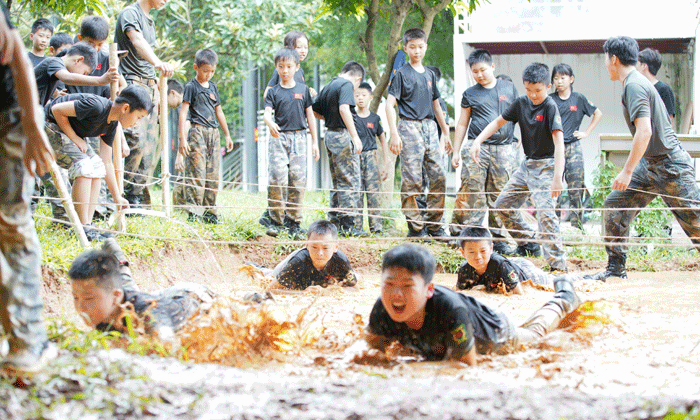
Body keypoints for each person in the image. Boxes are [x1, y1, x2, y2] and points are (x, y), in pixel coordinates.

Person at [586, 36, 700, 281]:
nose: (606, 63)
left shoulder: (634, 85)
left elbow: (645, 131)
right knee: (616, 204)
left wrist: (626, 171)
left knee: (696, 223)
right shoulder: (634, 82)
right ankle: (616, 269)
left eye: (606, 58)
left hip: (670, 164)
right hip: (651, 164)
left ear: (613, 58)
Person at [364, 243, 581, 364]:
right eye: (389, 284)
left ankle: (564, 297)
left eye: (408, 286)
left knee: (534, 335)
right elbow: (369, 351)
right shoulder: (382, 308)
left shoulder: (450, 311)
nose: (396, 295)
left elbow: (463, 368)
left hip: (495, 332)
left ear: (429, 289)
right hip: (465, 319)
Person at [0, 3, 57, 374]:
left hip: (8, 120)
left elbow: (16, 52)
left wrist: (33, 128)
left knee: (11, 224)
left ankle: (30, 340)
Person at [469, 62, 567, 272]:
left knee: (546, 215)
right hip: (527, 166)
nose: (533, 95)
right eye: (528, 90)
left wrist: (558, 176)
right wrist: (477, 141)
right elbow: (497, 123)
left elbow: (559, 143)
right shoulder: (521, 103)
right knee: (502, 205)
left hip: (547, 167)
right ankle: (528, 241)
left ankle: (558, 267)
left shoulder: (550, 106)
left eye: (538, 91)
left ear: (548, 87)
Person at [44, 86, 151, 240]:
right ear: (126, 108)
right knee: (84, 166)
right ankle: (80, 229)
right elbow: (56, 109)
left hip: (64, 132)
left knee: (97, 167)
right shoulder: (97, 106)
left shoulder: (112, 124)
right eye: (139, 117)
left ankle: (88, 226)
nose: (137, 123)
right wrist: (75, 138)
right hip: (48, 126)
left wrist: (117, 197)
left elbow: (106, 162)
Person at [69, 240, 212, 342]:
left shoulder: (150, 316)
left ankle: (117, 257)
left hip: (194, 296)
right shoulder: (102, 310)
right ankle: (115, 255)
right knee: (128, 292)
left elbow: (168, 349)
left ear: (115, 296)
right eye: (75, 298)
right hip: (153, 297)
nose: (80, 307)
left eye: (88, 298)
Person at [450, 49, 519, 254]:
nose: (479, 74)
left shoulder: (509, 88)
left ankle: (498, 239)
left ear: (492, 67)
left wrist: (520, 139)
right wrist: (456, 151)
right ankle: (463, 236)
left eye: (482, 70)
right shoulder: (470, 94)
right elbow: (462, 123)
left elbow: (519, 115)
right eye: (475, 71)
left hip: (504, 149)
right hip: (476, 149)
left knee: (499, 194)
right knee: (472, 192)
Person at [385, 28, 452, 240]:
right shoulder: (402, 74)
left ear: (425, 47)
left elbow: (437, 105)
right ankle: (416, 227)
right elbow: (389, 105)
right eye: (412, 47)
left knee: (439, 175)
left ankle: (434, 225)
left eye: (420, 46)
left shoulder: (431, 74)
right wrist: (394, 134)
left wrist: (446, 133)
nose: (417, 50)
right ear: (405, 48)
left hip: (430, 127)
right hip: (409, 126)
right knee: (412, 179)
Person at [115, 0, 174, 207]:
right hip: (133, 84)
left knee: (149, 146)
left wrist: (156, 85)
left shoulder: (150, 21)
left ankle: (136, 196)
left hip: (150, 86)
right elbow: (137, 41)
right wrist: (157, 62)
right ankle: (119, 193)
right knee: (135, 141)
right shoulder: (130, 13)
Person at [260, 48, 317, 238]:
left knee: (298, 180)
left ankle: (294, 222)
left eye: (289, 66)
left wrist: (315, 142)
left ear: (296, 67)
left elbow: (310, 116)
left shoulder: (303, 90)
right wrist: (270, 123)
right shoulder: (273, 92)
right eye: (281, 67)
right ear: (276, 68)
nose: (285, 70)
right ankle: (276, 221)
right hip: (279, 138)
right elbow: (267, 114)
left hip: (300, 138)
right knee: (277, 177)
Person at [311, 61, 367, 237]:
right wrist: (355, 136)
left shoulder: (329, 85)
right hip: (343, 135)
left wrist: (329, 118)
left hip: (330, 134)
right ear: (357, 78)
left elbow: (314, 109)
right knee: (349, 180)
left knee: (337, 180)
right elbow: (344, 108)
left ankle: (334, 221)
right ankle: (348, 225)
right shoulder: (346, 84)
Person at [178, 48, 233, 224]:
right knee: (197, 172)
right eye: (205, 71)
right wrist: (182, 139)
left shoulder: (213, 88)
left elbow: (219, 111)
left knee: (212, 173)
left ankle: (210, 212)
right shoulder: (190, 87)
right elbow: (183, 112)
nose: (208, 75)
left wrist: (227, 135)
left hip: (213, 134)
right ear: (196, 67)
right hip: (197, 132)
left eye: (212, 71)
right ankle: (194, 212)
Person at [549, 63, 602, 231]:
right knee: (553, 190)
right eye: (556, 78)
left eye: (563, 78)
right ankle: (553, 229)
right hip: (553, 149)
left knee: (576, 189)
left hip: (573, 147)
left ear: (571, 79)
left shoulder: (578, 98)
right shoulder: (550, 99)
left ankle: (577, 229)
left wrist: (586, 132)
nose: (559, 82)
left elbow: (597, 113)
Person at [456, 226, 582, 295]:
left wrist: (484, 288)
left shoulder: (500, 265)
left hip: (525, 271)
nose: (477, 257)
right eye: (471, 252)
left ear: (491, 248)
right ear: (462, 253)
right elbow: (460, 292)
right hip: (510, 263)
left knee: (557, 281)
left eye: (483, 251)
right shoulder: (464, 270)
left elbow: (519, 294)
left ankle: (598, 276)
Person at [266, 220, 358, 290]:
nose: (320, 253)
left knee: (357, 276)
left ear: (335, 247)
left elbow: (354, 288)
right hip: (286, 266)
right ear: (307, 245)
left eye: (325, 248)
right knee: (266, 274)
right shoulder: (298, 261)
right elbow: (270, 289)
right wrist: (303, 293)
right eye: (314, 247)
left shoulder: (341, 260)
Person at [353, 82, 390, 234]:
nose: (360, 98)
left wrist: (386, 163)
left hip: (371, 158)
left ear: (371, 98)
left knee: (374, 194)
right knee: (357, 193)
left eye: (363, 95)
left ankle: (376, 228)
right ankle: (356, 228)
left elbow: (382, 139)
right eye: (357, 95)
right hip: (355, 157)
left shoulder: (375, 118)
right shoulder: (351, 117)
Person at [33, 41, 118, 105]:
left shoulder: (55, 66)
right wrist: (100, 80)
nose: (82, 75)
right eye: (84, 73)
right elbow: (66, 77)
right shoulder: (53, 62)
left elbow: (41, 83)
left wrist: (56, 93)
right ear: (79, 60)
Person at [262, 30, 315, 100]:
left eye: (306, 47)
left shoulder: (300, 71)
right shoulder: (281, 70)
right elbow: (266, 96)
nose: (303, 51)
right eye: (299, 47)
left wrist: (307, 93)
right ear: (289, 48)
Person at [637, 48, 676, 125]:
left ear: (644, 66)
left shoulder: (664, 89)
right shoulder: (640, 89)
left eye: (637, 64)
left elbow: (669, 119)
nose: (635, 68)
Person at [167, 79, 186, 207]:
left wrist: (180, 155)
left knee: (183, 182)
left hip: (189, 148)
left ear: (173, 93)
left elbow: (187, 127)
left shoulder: (183, 106)